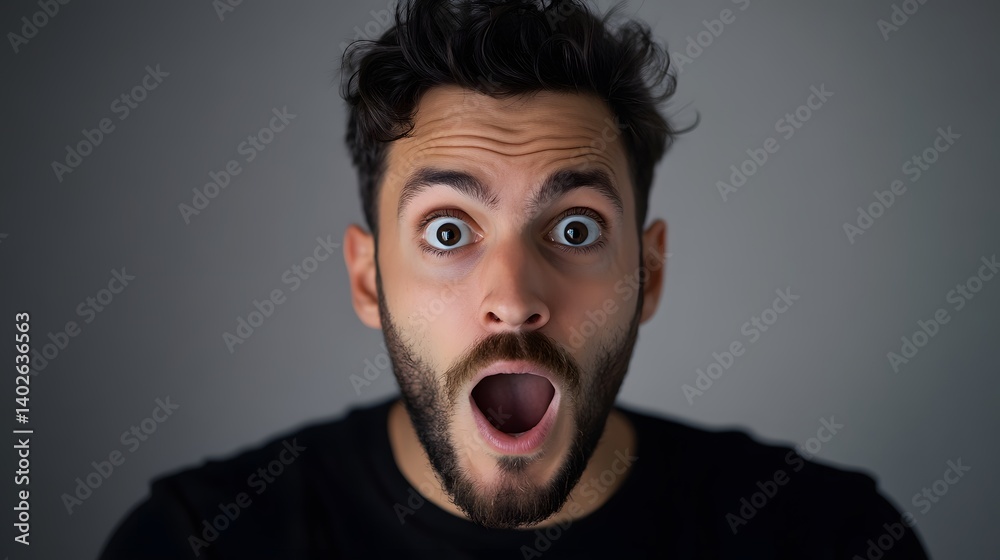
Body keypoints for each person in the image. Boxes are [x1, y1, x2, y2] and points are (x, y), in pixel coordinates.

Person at [101, 0, 929, 557]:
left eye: (575, 228)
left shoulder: (827, 536)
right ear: (368, 281)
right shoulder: (198, 540)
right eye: (449, 231)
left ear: (647, 273)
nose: (515, 299)